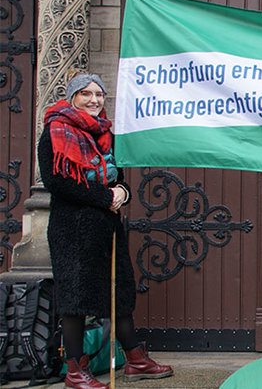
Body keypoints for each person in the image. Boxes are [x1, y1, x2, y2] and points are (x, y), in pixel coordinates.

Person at [38, 72, 173, 389]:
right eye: (86, 94)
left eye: (99, 94)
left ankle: (135, 359)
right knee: (76, 298)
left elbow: (119, 181)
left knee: (120, 291)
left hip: (107, 227)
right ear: (73, 97)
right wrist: (104, 196)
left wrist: (122, 193)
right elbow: (56, 182)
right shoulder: (55, 132)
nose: (94, 100)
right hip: (72, 228)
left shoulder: (106, 137)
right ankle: (75, 370)